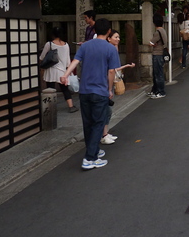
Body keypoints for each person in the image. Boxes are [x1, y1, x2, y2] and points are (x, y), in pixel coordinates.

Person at [61, 18, 121, 170]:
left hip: (84, 90)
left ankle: (93, 151)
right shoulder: (110, 49)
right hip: (99, 90)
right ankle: (90, 159)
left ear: (94, 30)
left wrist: (65, 74)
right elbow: (111, 71)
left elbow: (75, 61)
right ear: (109, 32)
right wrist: (109, 89)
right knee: (98, 123)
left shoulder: (86, 46)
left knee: (88, 123)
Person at [101, 29, 135, 144]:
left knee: (108, 109)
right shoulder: (109, 50)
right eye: (116, 37)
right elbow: (112, 69)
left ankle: (105, 133)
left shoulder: (113, 48)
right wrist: (126, 66)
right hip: (106, 82)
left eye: (119, 37)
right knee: (106, 109)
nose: (118, 39)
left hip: (109, 81)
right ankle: (103, 134)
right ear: (109, 38)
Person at [39, 27, 78, 113]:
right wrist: (69, 72)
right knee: (65, 89)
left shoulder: (49, 44)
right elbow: (68, 61)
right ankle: (71, 106)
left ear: (52, 34)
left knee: (50, 89)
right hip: (62, 71)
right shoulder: (66, 45)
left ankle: (50, 108)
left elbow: (42, 57)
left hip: (51, 69)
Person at [147, 15, 168, 98]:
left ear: (154, 23)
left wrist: (152, 43)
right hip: (161, 53)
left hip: (157, 54)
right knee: (157, 73)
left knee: (158, 74)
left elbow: (151, 43)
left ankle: (161, 91)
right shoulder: (163, 30)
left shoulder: (157, 32)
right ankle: (155, 90)